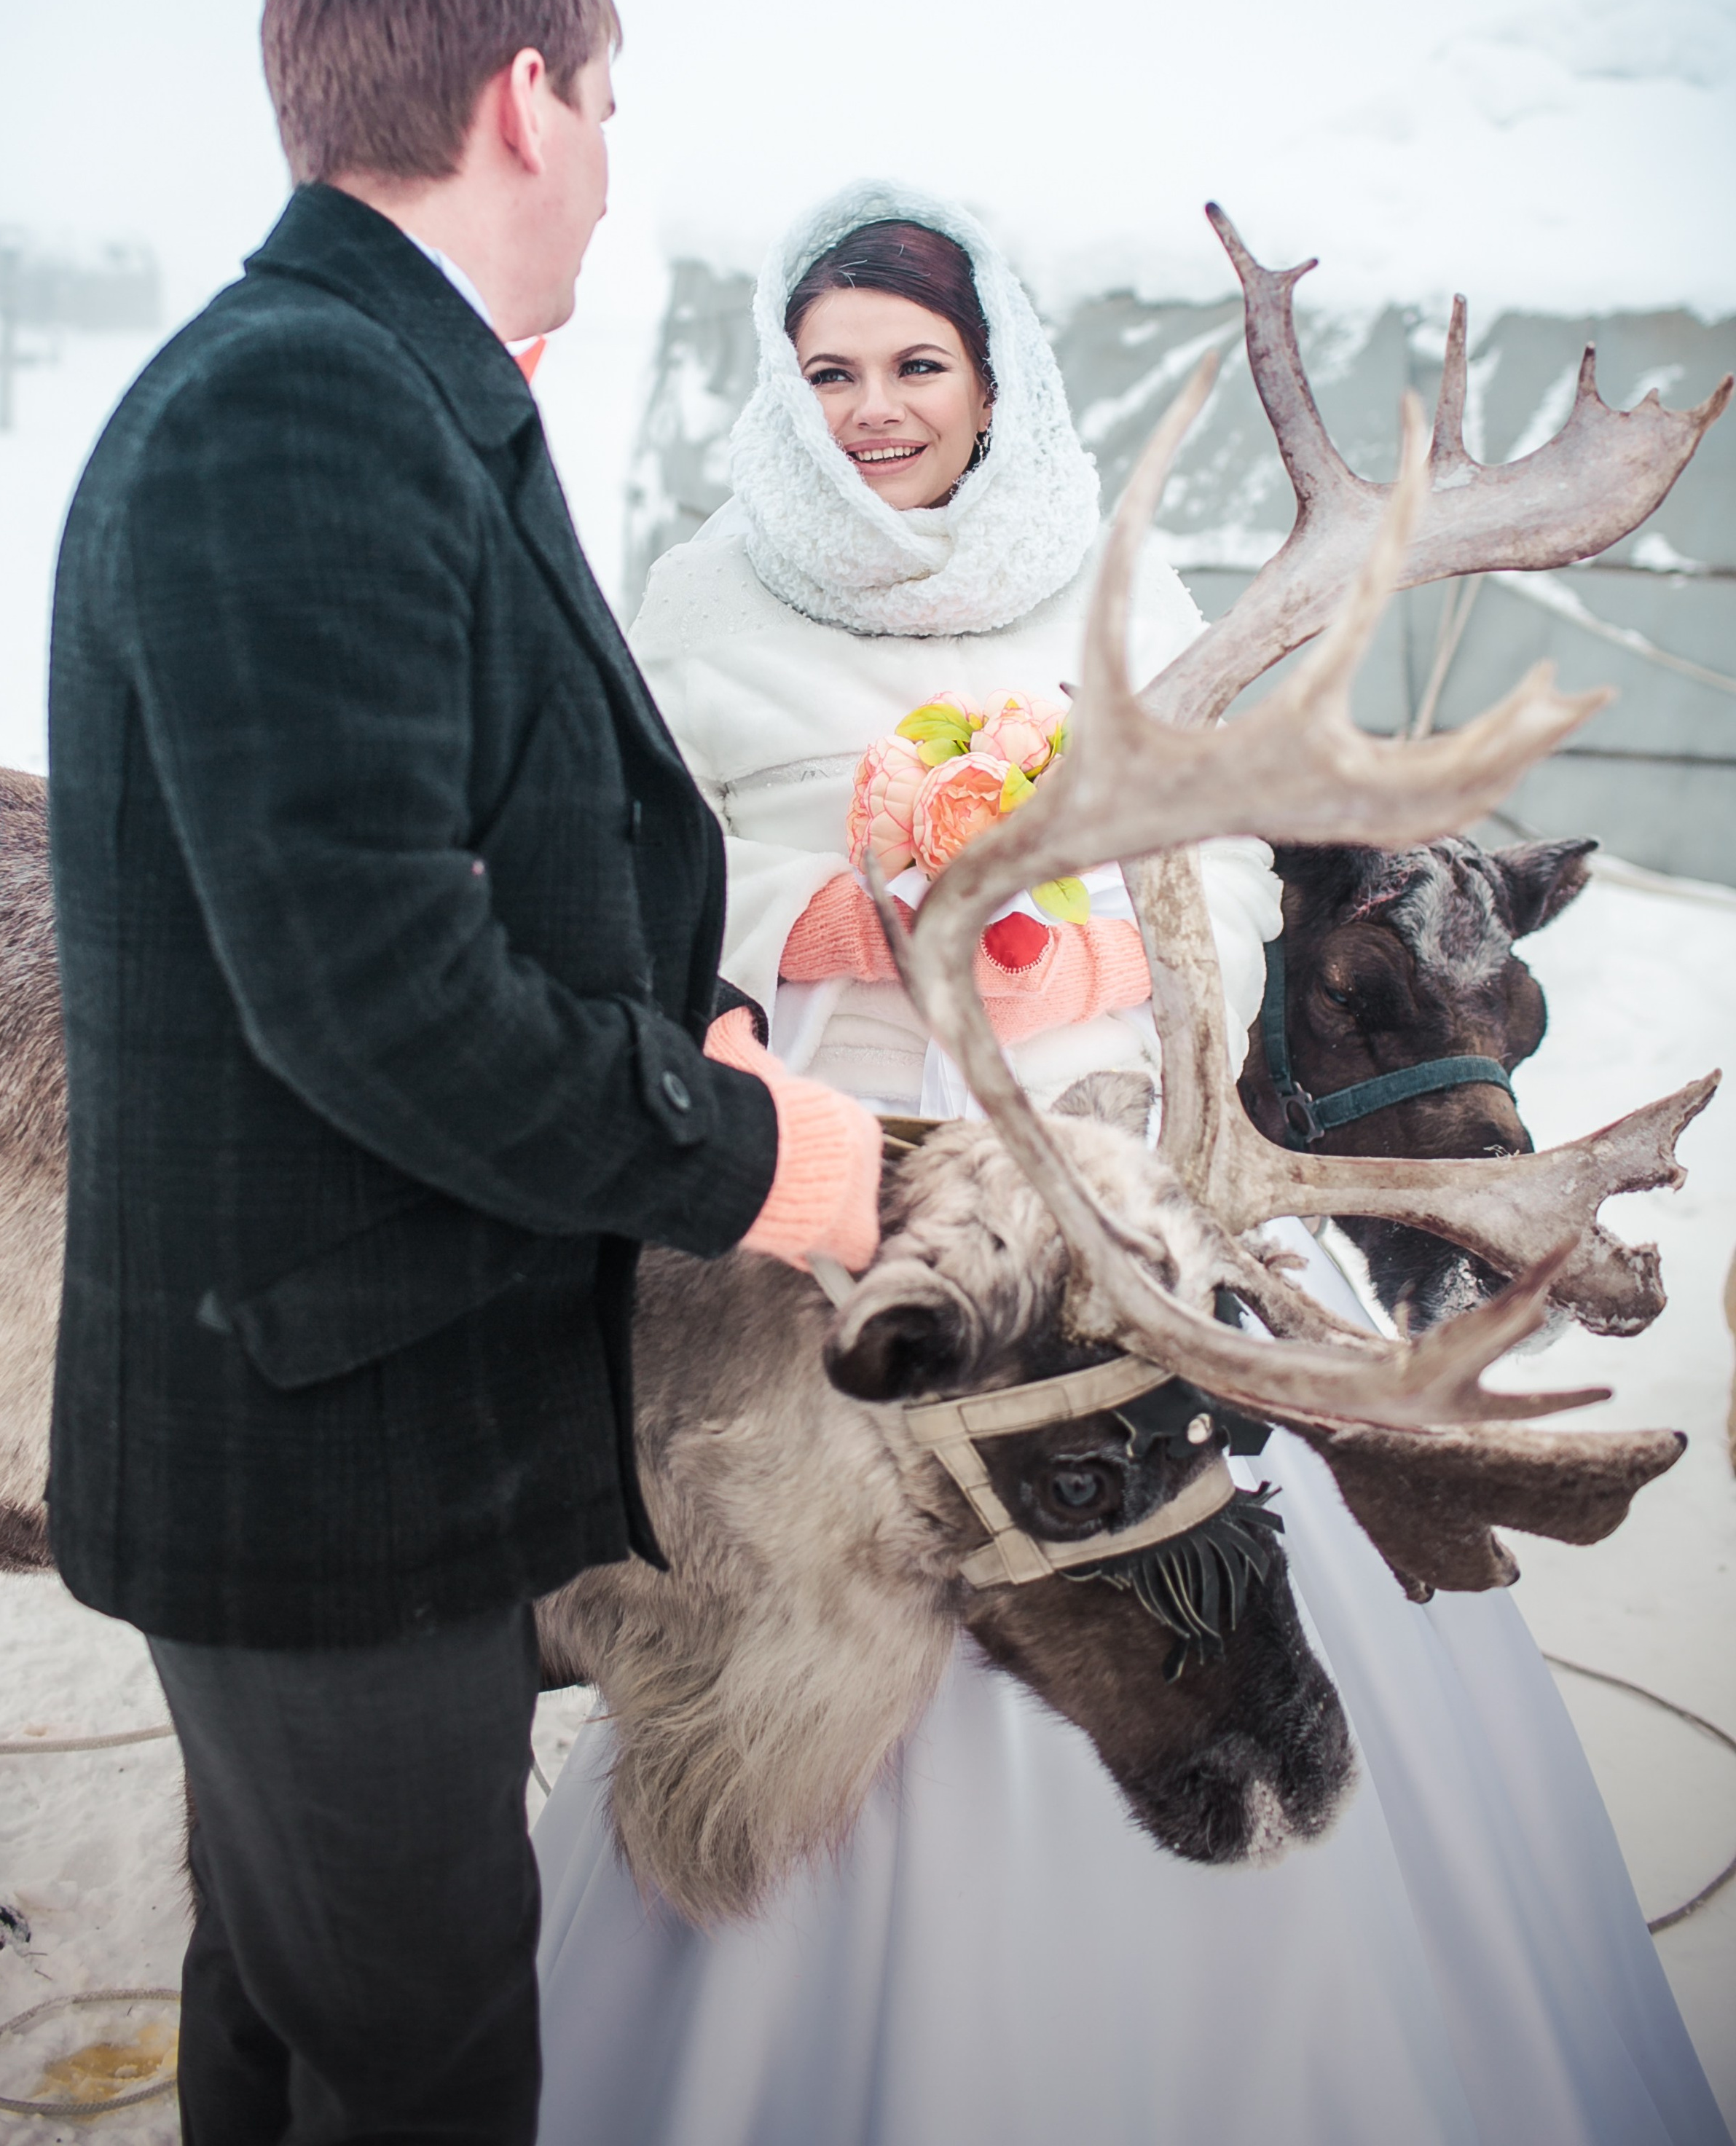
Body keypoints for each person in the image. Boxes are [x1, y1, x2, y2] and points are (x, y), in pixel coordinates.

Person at [530, 183, 1724, 2146]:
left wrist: (1065, 930)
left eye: (916, 366)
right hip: (852, 1194)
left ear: (992, 374)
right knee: (857, 1586)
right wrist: (844, 913)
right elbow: (644, 878)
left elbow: (1222, 851)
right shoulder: (696, 593)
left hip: (1120, 1183)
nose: (874, 410)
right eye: (829, 372)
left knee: (1189, 1535)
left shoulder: (1111, 576)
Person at [43, 0, 882, 2146]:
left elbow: (482, 843)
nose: (613, 154)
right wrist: (750, 1157)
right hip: (312, 1455)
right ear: (525, 99)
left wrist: (689, 1005)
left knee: (292, 2010)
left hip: (371, 1416)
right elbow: (374, 993)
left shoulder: (398, 391)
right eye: (608, 102)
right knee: (423, 2067)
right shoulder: (297, 413)